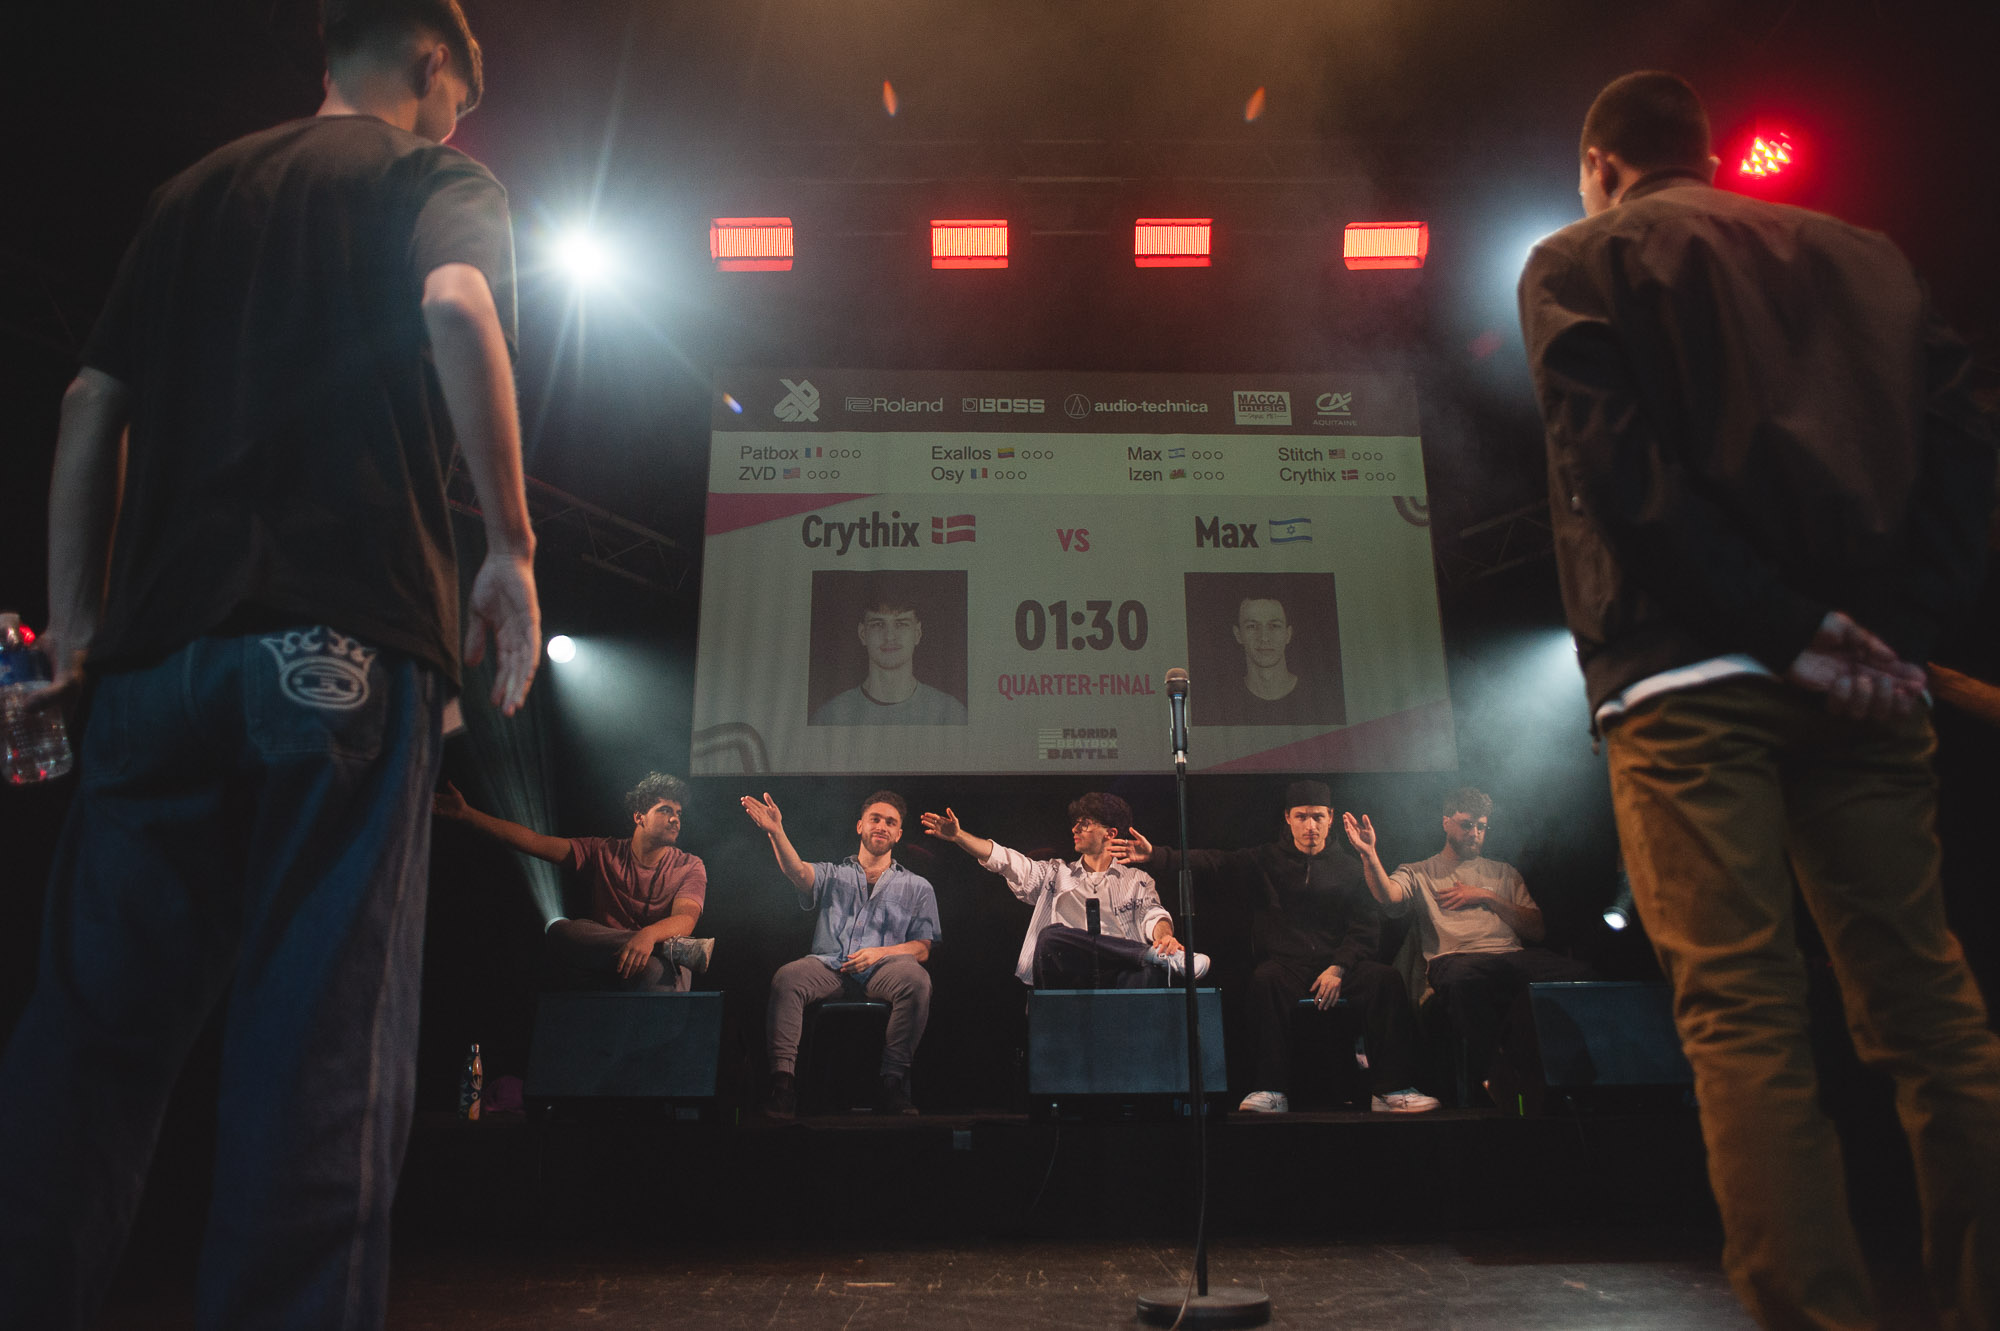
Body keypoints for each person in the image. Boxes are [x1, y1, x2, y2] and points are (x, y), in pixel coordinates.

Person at [0, 3, 541, 1327]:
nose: (459, 122)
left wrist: (78, 637)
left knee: (84, 1050)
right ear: (432, 61)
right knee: (321, 1050)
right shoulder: (436, 178)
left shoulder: (192, 192)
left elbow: (90, 406)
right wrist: (510, 546)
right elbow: (457, 301)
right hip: (341, 643)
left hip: (155, 665)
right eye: (462, 99)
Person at [1520, 70, 2000, 1329]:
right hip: (1866, 683)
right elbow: (1969, 451)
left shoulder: (1575, 257)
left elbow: (1615, 471)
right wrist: (1896, 633)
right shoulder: (1870, 259)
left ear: (1600, 166)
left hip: (1684, 683)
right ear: (1709, 152)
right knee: (1931, 1015)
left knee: (1742, 1015)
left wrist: (1783, 630)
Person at [1121, 781, 1438, 1114]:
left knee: (1385, 980)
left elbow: (1366, 927)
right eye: (1301, 816)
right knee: (1265, 980)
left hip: (1340, 967)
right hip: (1288, 966)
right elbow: (1215, 861)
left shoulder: (1350, 867)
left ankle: (1391, 1089)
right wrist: (1157, 855)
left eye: (1317, 817)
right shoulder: (1266, 859)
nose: (1310, 825)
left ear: (1330, 818)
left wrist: (1339, 967)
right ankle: (1271, 1089)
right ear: (1288, 818)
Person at [1346, 788, 1594, 1104]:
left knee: (1581, 975)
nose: (1474, 833)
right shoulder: (1420, 870)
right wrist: (1369, 855)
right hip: (1455, 958)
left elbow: (1536, 930)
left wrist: (1486, 896)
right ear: (1446, 823)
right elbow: (1389, 896)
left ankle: (1585, 1080)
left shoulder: (1503, 872)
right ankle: (1495, 1077)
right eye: (1466, 825)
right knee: (1464, 981)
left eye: (1481, 826)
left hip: (1510, 957)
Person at [742, 790, 940, 1117]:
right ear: (860, 825)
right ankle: (783, 1086)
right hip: (830, 968)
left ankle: (892, 1084)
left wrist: (880, 954)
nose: (882, 826)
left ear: (898, 834)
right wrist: (776, 832)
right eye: (875, 819)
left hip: (885, 971)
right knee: (787, 978)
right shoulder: (834, 874)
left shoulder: (918, 886)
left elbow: (921, 948)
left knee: (917, 980)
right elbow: (798, 872)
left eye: (890, 822)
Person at [433, 772, 714, 989]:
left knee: (652, 970)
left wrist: (648, 936)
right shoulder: (603, 851)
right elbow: (534, 841)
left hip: (655, 965)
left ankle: (660, 952)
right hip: (609, 956)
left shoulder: (690, 865)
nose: (675, 819)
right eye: (665, 810)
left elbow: (686, 919)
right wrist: (468, 815)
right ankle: (667, 948)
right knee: (559, 930)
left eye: (678, 813)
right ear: (639, 817)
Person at [921, 792, 1207, 988]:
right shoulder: (1056, 873)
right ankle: (1148, 955)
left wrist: (1164, 938)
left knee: (1149, 975)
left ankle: (1152, 960)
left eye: (1086, 824)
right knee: (1050, 936)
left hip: (1120, 972)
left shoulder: (1136, 879)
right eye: (1075, 824)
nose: (1075, 829)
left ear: (1110, 833)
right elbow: (1006, 860)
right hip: (1068, 972)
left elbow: (1153, 914)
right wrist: (959, 836)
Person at [810, 586, 968, 726]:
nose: (889, 636)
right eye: (878, 624)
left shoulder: (950, 714)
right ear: (863, 634)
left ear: (917, 633)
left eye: (901, 624)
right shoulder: (829, 717)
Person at [1201, 593, 1342, 726]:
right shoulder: (1218, 704)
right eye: (1252, 626)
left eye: (1274, 626)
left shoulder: (1322, 699)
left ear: (1288, 634)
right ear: (1238, 634)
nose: (1264, 637)